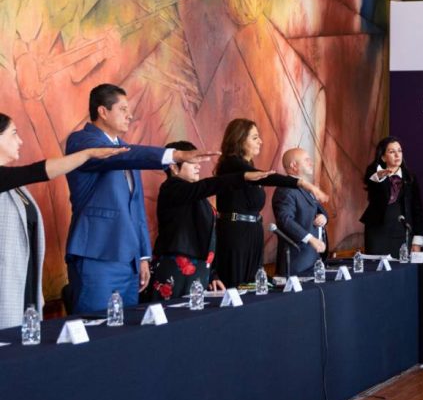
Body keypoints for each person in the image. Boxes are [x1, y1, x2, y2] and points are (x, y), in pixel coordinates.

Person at [64, 84, 218, 314]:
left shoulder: (127, 151)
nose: (130, 115)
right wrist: (174, 155)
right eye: (123, 109)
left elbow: (136, 210)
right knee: (96, 327)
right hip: (96, 255)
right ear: (102, 111)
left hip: (130, 261)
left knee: (129, 328)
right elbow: (112, 156)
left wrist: (143, 256)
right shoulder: (81, 141)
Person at [0, 113, 126, 327]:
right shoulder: (10, 180)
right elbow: (38, 171)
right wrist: (88, 154)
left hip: (21, 279)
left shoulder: (16, 187)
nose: (20, 141)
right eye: (14, 134)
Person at [146, 141, 271, 302]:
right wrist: (242, 176)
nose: (198, 166)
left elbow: (205, 234)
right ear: (173, 167)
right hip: (176, 270)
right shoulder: (171, 188)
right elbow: (206, 186)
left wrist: (212, 274)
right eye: (192, 161)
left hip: (200, 270)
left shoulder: (195, 193)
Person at [214, 119, 328, 288]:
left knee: (253, 285)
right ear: (239, 140)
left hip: (253, 231)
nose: (260, 141)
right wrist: (304, 184)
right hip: (235, 233)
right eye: (254, 137)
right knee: (237, 285)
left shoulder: (248, 165)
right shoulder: (230, 164)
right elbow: (267, 177)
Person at [361, 137, 423, 258]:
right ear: (383, 157)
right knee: (377, 267)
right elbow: (372, 180)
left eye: (399, 151)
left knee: (401, 266)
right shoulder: (376, 174)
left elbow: (418, 210)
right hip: (377, 232)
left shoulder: (410, 178)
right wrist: (381, 175)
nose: (397, 155)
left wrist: (417, 241)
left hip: (402, 232)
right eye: (392, 152)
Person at [273, 148, 328, 275]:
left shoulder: (306, 188)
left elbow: (321, 211)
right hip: (297, 261)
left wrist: (323, 217)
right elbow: (285, 220)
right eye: (307, 160)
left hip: (313, 258)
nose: (311, 163)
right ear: (294, 165)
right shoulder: (285, 189)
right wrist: (311, 239)